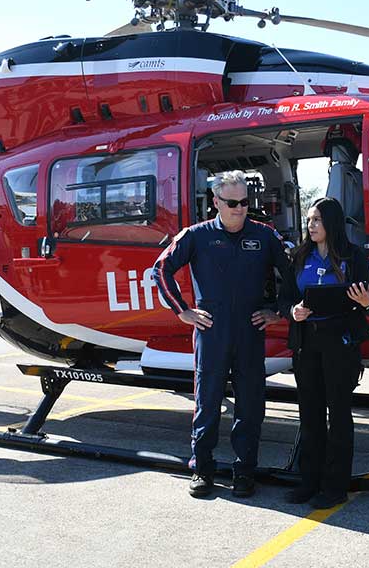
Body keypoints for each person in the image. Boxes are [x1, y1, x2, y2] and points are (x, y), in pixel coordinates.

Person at [153, 170, 288, 499]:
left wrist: (278, 311)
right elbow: (161, 269)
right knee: (208, 402)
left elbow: (292, 274)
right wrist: (182, 311)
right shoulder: (196, 236)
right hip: (211, 332)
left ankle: (244, 471)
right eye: (232, 202)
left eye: (244, 202)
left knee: (250, 405)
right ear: (216, 202)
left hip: (250, 331)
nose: (240, 208)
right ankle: (202, 468)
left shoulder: (265, 236)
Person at [278, 197, 369, 509]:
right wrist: (292, 310)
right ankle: (308, 482)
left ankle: (335, 487)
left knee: (338, 415)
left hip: (340, 343)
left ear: (332, 223)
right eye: (309, 220)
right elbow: (284, 300)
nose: (311, 226)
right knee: (309, 415)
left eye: (317, 220)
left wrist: (365, 303)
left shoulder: (354, 256)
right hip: (307, 343)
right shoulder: (299, 256)